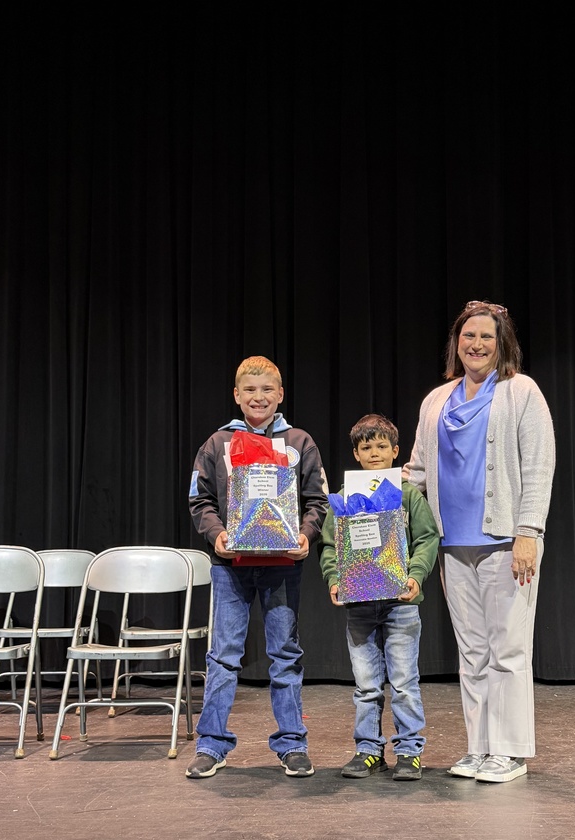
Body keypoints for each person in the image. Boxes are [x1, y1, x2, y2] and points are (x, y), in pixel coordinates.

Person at [403, 300, 555, 784]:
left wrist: (528, 533)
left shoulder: (521, 392)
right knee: (472, 652)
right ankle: (480, 746)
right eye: (469, 336)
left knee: (508, 648)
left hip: (506, 540)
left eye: (487, 337)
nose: (477, 344)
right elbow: (418, 472)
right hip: (453, 544)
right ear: (457, 343)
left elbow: (538, 467)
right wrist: (369, 500)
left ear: (502, 343)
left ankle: (508, 752)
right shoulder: (436, 400)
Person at [186, 355, 328, 780]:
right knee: (223, 655)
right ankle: (211, 744)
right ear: (236, 395)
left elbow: (318, 500)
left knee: (285, 654)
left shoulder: (299, 442)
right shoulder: (217, 444)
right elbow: (200, 500)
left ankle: (292, 744)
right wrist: (217, 536)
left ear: (280, 394)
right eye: (250, 390)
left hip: (282, 565)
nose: (259, 397)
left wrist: (306, 534)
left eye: (267, 389)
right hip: (230, 566)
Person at [318, 413, 440, 781]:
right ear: (356, 453)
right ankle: (368, 750)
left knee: (403, 682)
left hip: (400, 604)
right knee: (366, 684)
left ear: (396, 451)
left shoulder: (406, 495)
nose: (374, 454)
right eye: (366, 447)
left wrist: (416, 576)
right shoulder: (344, 498)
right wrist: (334, 579)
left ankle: (408, 752)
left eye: (382, 447)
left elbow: (427, 538)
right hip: (359, 605)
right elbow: (329, 545)